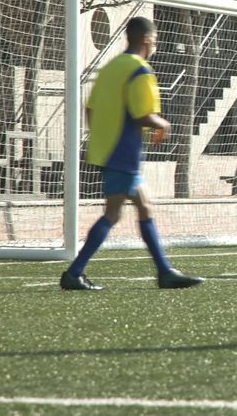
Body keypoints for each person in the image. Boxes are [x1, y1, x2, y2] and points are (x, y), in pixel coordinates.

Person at [60, 16, 203, 291]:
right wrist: (164, 124)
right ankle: (74, 273)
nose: (157, 45)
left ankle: (164, 271)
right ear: (147, 40)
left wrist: (102, 137)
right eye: (157, 40)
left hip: (107, 150)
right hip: (122, 151)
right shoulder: (140, 70)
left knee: (144, 207)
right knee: (113, 214)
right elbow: (142, 115)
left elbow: (90, 110)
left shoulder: (111, 67)